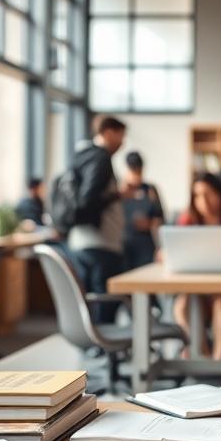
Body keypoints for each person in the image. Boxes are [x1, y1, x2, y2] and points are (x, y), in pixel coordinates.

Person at [170, 173, 221, 360]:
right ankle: (203, 357)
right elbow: (176, 250)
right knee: (182, 306)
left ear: (220, 194)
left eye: (209, 194)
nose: (203, 201)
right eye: (197, 195)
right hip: (196, 291)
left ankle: (219, 360)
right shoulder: (188, 219)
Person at [64, 115, 128, 323]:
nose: (122, 142)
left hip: (81, 241)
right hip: (101, 243)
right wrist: (117, 195)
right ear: (108, 132)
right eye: (120, 136)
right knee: (105, 299)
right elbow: (88, 200)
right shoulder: (101, 158)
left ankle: (94, 345)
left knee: (90, 298)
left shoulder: (80, 155)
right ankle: (105, 346)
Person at [120, 151, 164, 269]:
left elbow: (159, 219)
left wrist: (160, 247)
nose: (136, 175)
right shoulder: (119, 191)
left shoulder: (150, 190)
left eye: (139, 171)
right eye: (133, 171)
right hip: (124, 244)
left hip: (146, 245)